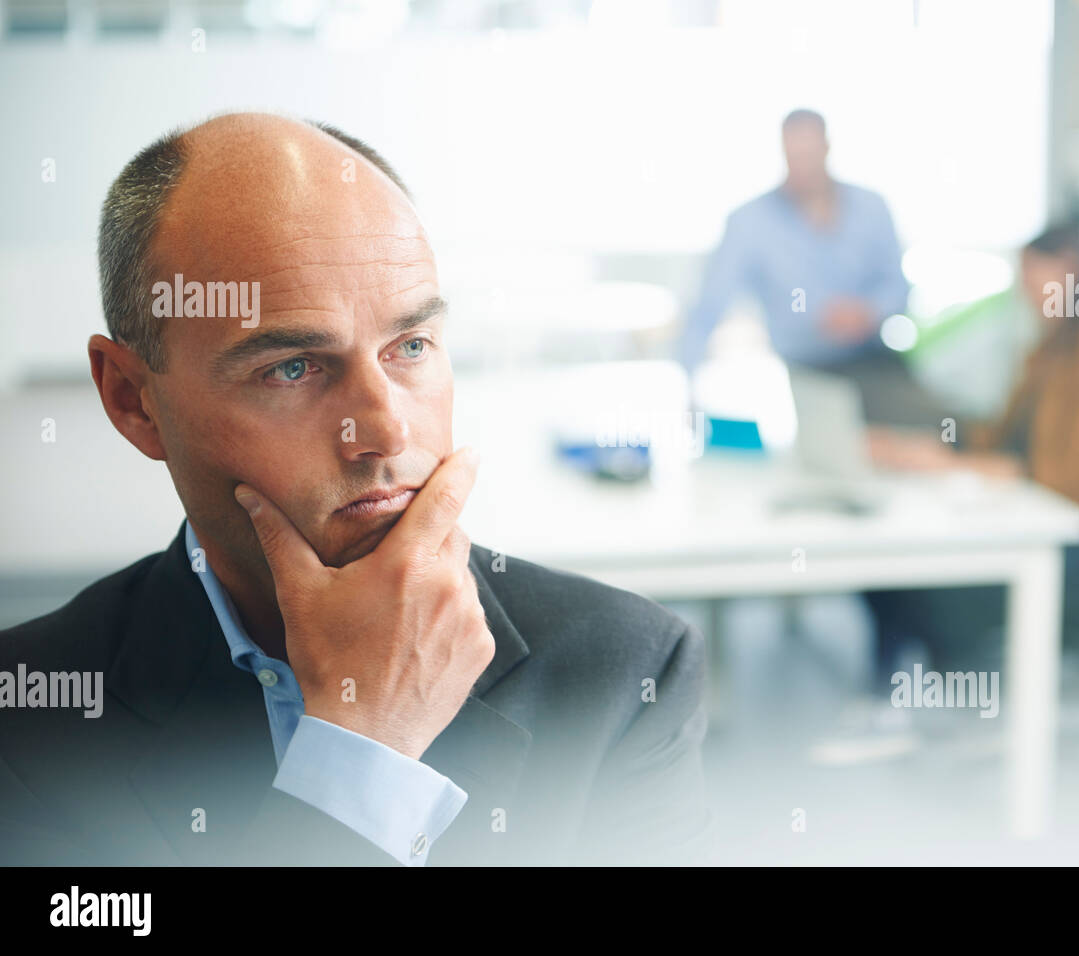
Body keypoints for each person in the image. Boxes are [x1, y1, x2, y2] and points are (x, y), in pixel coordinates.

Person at [0, 112, 712, 866]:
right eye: (293, 368)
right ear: (133, 401)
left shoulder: (625, 674)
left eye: (410, 346)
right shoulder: (30, 718)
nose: (387, 432)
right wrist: (363, 746)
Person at [862, 222, 1079, 704]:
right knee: (888, 570)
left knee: (926, 588)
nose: (1027, 295)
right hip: (1030, 503)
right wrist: (924, 449)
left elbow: (1068, 477)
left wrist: (959, 468)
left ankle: (935, 695)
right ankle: (905, 691)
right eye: (1024, 282)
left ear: (1073, 275)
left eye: (1035, 282)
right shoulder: (1047, 350)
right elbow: (997, 435)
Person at [678, 108, 946, 426]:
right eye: (793, 156)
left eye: (809, 154)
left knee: (937, 424)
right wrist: (689, 390)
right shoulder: (750, 224)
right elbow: (707, 308)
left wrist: (867, 311)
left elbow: (899, 287)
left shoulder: (871, 208)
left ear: (826, 148)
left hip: (877, 361)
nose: (801, 167)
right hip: (810, 374)